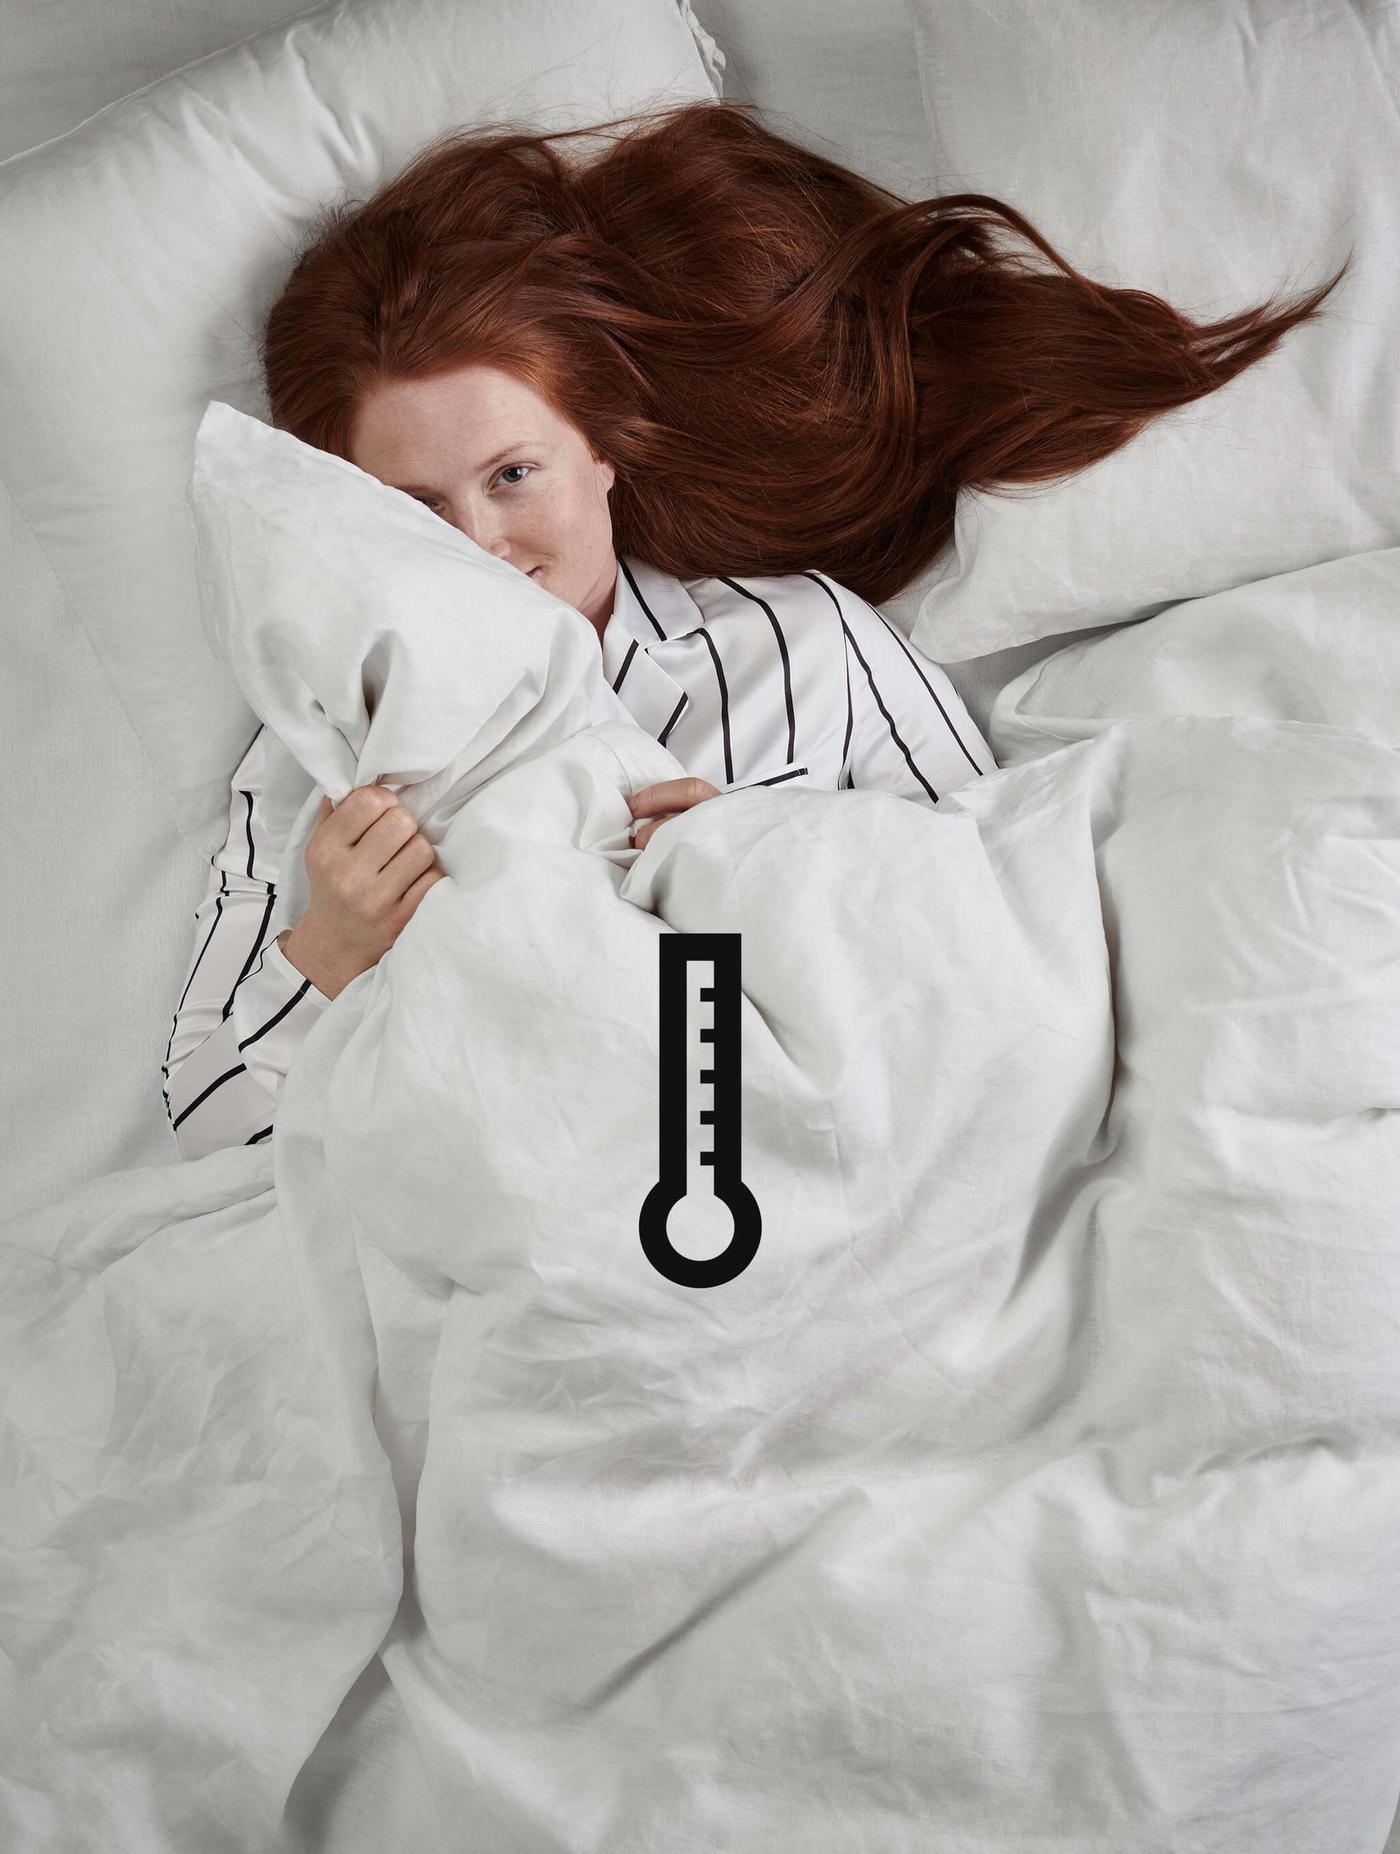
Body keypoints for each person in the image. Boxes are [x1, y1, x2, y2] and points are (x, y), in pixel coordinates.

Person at [164, 98, 1348, 1159]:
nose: (483, 548)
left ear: (604, 452)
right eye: (414, 512)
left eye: (513, 474)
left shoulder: (799, 647)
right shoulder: (313, 771)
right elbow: (205, 1120)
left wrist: (782, 863)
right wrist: (331, 947)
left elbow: (1009, 922)